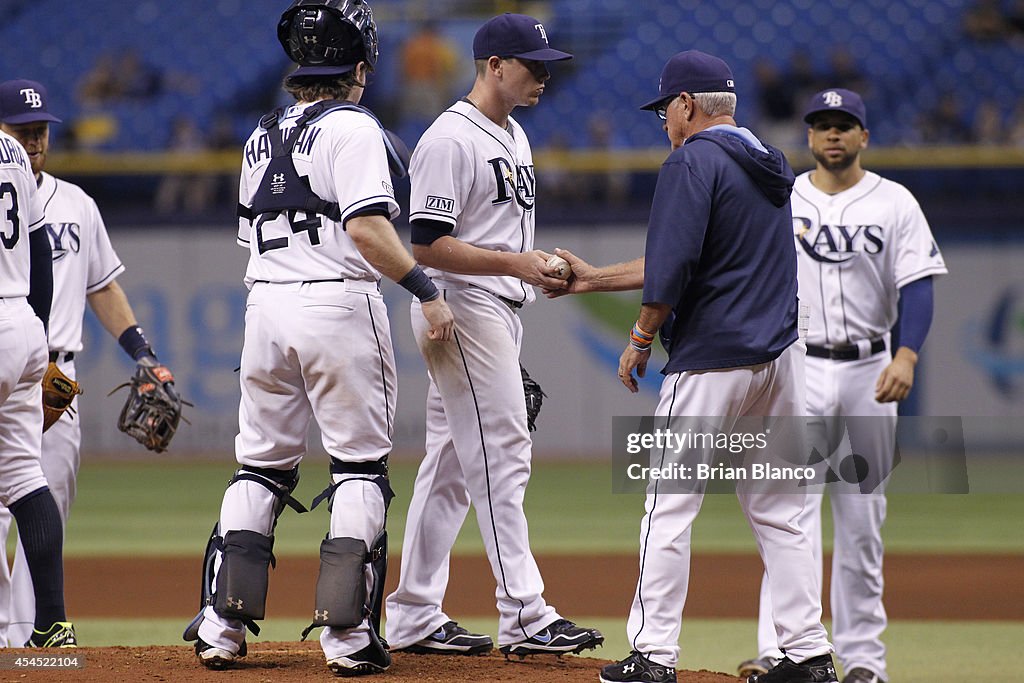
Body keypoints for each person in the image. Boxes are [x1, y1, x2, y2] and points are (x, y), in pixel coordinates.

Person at [181, 0, 454, 676]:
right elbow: (365, 229)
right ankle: (348, 636)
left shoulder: (259, 133)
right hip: (337, 303)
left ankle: (220, 625)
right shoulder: (354, 128)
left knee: (261, 465)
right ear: (358, 67)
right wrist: (425, 288)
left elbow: (248, 233)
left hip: (266, 307)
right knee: (359, 466)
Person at [584, 50, 836, 683]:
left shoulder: (691, 160)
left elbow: (672, 268)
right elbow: (698, 255)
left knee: (668, 506)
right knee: (784, 513)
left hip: (711, 361)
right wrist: (592, 282)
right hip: (779, 360)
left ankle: (652, 655)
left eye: (666, 109)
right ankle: (807, 655)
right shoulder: (770, 164)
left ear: (687, 105)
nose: (664, 122)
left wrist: (641, 336)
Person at [383, 13, 604, 660]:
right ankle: (526, 613)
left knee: (452, 466)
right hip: (459, 305)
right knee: (503, 450)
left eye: (545, 65)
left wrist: (527, 267)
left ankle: (414, 612)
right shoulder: (451, 139)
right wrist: (516, 264)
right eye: (531, 64)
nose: (542, 75)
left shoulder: (515, 136)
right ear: (493, 66)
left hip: (494, 307)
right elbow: (425, 243)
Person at [738, 88, 947, 683]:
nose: (833, 134)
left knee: (860, 522)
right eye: (822, 125)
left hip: (867, 369)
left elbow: (920, 286)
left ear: (863, 136)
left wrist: (906, 355)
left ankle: (863, 663)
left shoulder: (895, 202)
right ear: (808, 137)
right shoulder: (783, 197)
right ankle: (781, 652)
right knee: (786, 516)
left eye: (844, 125)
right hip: (798, 367)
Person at [0, 78, 177, 647]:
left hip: (56, 377)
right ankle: (15, 634)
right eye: (21, 132)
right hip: (31, 357)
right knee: (21, 496)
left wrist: (141, 352)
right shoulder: (18, 189)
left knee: (43, 498)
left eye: (39, 131)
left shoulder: (77, 202)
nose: (33, 142)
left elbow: (103, 287)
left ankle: (33, 638)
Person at [0, 81, 76, 649]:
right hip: (22, 322)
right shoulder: (12, 158)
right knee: (26, 478)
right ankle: (51, 632)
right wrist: (41, 347)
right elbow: (41, 253)